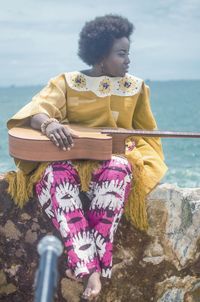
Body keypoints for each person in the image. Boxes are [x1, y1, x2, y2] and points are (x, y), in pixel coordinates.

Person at [6, 14, 168, 301]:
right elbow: (35, 110)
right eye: (121, 54)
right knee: (57, 176)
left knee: (118, 169)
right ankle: (93, 270)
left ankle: (84, 267)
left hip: (110, 164)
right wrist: (50, 124)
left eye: (128, 53)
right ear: (100, 56)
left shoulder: (136, 88)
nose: (128, 60)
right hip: (67, 164)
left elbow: (145, 134)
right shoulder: (67, 83)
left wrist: (127, 149)